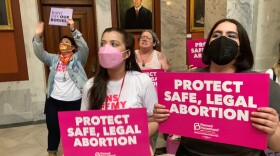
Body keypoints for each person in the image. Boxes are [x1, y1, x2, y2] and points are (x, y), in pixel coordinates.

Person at [153, 18, 280, 156]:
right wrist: (163, 116)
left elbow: (277, 145)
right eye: (216, 35)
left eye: (231, 36)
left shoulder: (263, 85)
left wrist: (271, 130)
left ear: (242, 48)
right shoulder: (187, 81)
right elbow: (169, 132)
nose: (222, 40)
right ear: (208, 45)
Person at [80, 27, 158, 155]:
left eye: (114, 44)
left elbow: (154, 120)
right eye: (103, 44)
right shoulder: (90, 85)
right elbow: (83, 125)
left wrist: (127, 138)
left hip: (132, 150)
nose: (106, 49)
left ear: (127, 53)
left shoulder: (142, 81)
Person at [33, 19, 89, 156]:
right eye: (62, 42)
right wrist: (38, 36)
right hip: (54, 101)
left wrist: (73, 30)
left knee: (75, 130)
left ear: (73, 47)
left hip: (75, 101)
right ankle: (52, 152)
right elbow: (39, 53)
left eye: (67, 43)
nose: (63, 44)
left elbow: (85, 47)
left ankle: (75, 152)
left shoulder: (78, 58)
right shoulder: (53, 59)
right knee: (53, 128)